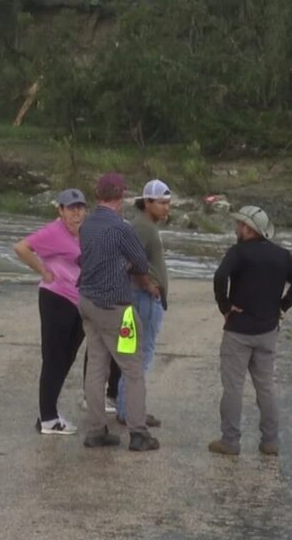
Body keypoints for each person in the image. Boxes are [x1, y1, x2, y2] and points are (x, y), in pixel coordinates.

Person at [209, 205, 292, 456]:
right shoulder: (281, 255)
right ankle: (270, 442)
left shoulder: (238, 252)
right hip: (267, 330)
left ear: (247, 228)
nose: (236, 228)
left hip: (238, 330)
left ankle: (230, 442)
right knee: (265, 387)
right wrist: (282, 307)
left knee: (233, 388)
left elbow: (220, 276)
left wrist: (224, 305)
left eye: (238, 224)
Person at [77, 172, 160, 452]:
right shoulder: (121, 228)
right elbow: (140, 262)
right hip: (116, 307)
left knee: (96, 366)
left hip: (87, 300)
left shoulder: (87, 225)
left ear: (99, 195)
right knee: (133, 368)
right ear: (121, 195)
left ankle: (96, 429)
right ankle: (138, 432)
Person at [12, 188, 87, 435]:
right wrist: (43, 271)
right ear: (61, 210)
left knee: (68, 356)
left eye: (80, 208)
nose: (76, 213)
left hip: (77, 301)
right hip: (56, 298)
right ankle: (48, 418)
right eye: (71, 208)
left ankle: (50, 411)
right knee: (54, 357)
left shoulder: (81, 233)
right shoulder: (54, 231)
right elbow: (21, 247)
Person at [116, 179, 172, 428]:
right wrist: (148, 284)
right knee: (141, 355)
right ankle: (131, 411)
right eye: (161, 203)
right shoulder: (143, 228)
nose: (166, 208)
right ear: (147, 202)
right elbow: (131, 261)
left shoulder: (147, 226)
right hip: (144, 298)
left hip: (143, 296)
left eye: (168, 203)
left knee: (134, 354)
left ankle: (128, 408)